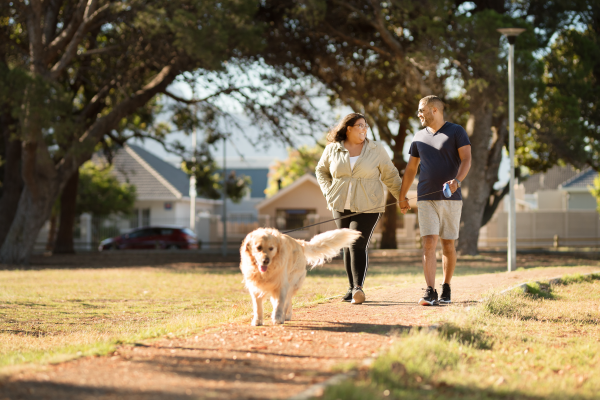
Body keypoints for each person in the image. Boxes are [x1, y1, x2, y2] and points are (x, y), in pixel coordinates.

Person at [316, 113, 404, 305]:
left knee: (357, 243)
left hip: (369, 204)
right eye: (360, 126)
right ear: (348, 128)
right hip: (340, 204)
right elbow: (321, 171)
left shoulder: (376, 149)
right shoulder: (333, 149)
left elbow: (390, 175)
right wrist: (329, 191)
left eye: (366, 126)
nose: (364, 129)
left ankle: (358, 288)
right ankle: (351, 288)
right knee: (346, 246)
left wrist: (401, 197)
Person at [399, 95, 472, 306]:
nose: (418, 114)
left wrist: (457, 181)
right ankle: (430, 291)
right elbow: (411, 168)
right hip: (426, 198)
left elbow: (466, 159)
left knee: (448, 244)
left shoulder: (456, 131)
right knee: (429, 242)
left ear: (434, 110)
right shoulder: (418, 136)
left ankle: (446, 287)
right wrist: (402, 196)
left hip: (451, 198)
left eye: (421, 110)